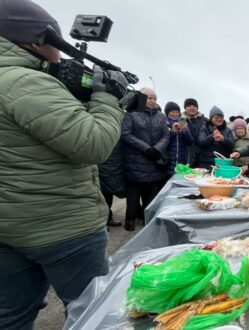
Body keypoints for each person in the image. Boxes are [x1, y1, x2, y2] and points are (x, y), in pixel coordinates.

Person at [0, 1, 129, 328]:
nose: (61, 55)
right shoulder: (23, 82)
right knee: (94, 311)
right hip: (64, 226)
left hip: (9, 226)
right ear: (36, 42)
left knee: (12, 315)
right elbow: (93, 143)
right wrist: (107, 97)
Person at [121, 87, 169, 231]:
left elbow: (166, 136)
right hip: (135, 160)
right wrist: (146, 148)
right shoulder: (131, 114)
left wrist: (156, 149)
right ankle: (130, 219)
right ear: (142, 99)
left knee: (151, 194)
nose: (153, 101)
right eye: (149, 98)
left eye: (154, 98)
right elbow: (126, 134)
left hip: (154, 161)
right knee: (133, 195)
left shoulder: (161, 116)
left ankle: (148, 220)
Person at [98, 141, 125, 227]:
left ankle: (106, 218)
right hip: (110, 167)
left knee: (105, 193)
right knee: (106, 194)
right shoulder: (117, 133)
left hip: (105, 167)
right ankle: (106, 218)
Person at [164, 101, 193, 178]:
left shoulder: (183, 123)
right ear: (167, 113)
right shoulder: (163, 124)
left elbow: (190, 142)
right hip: (167, 163)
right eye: (172, 112)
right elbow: (163, 144)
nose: (175, 114)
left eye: (177, 112)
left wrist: (185, 131)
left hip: (182, 162)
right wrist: (172, 132)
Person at [183, 98, 206, 167]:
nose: (192, 108)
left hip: (202, 153)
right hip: (186, 153)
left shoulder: (204, 119)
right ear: (185, 108)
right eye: (189, 106)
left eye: (194, 106)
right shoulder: (181, 119)